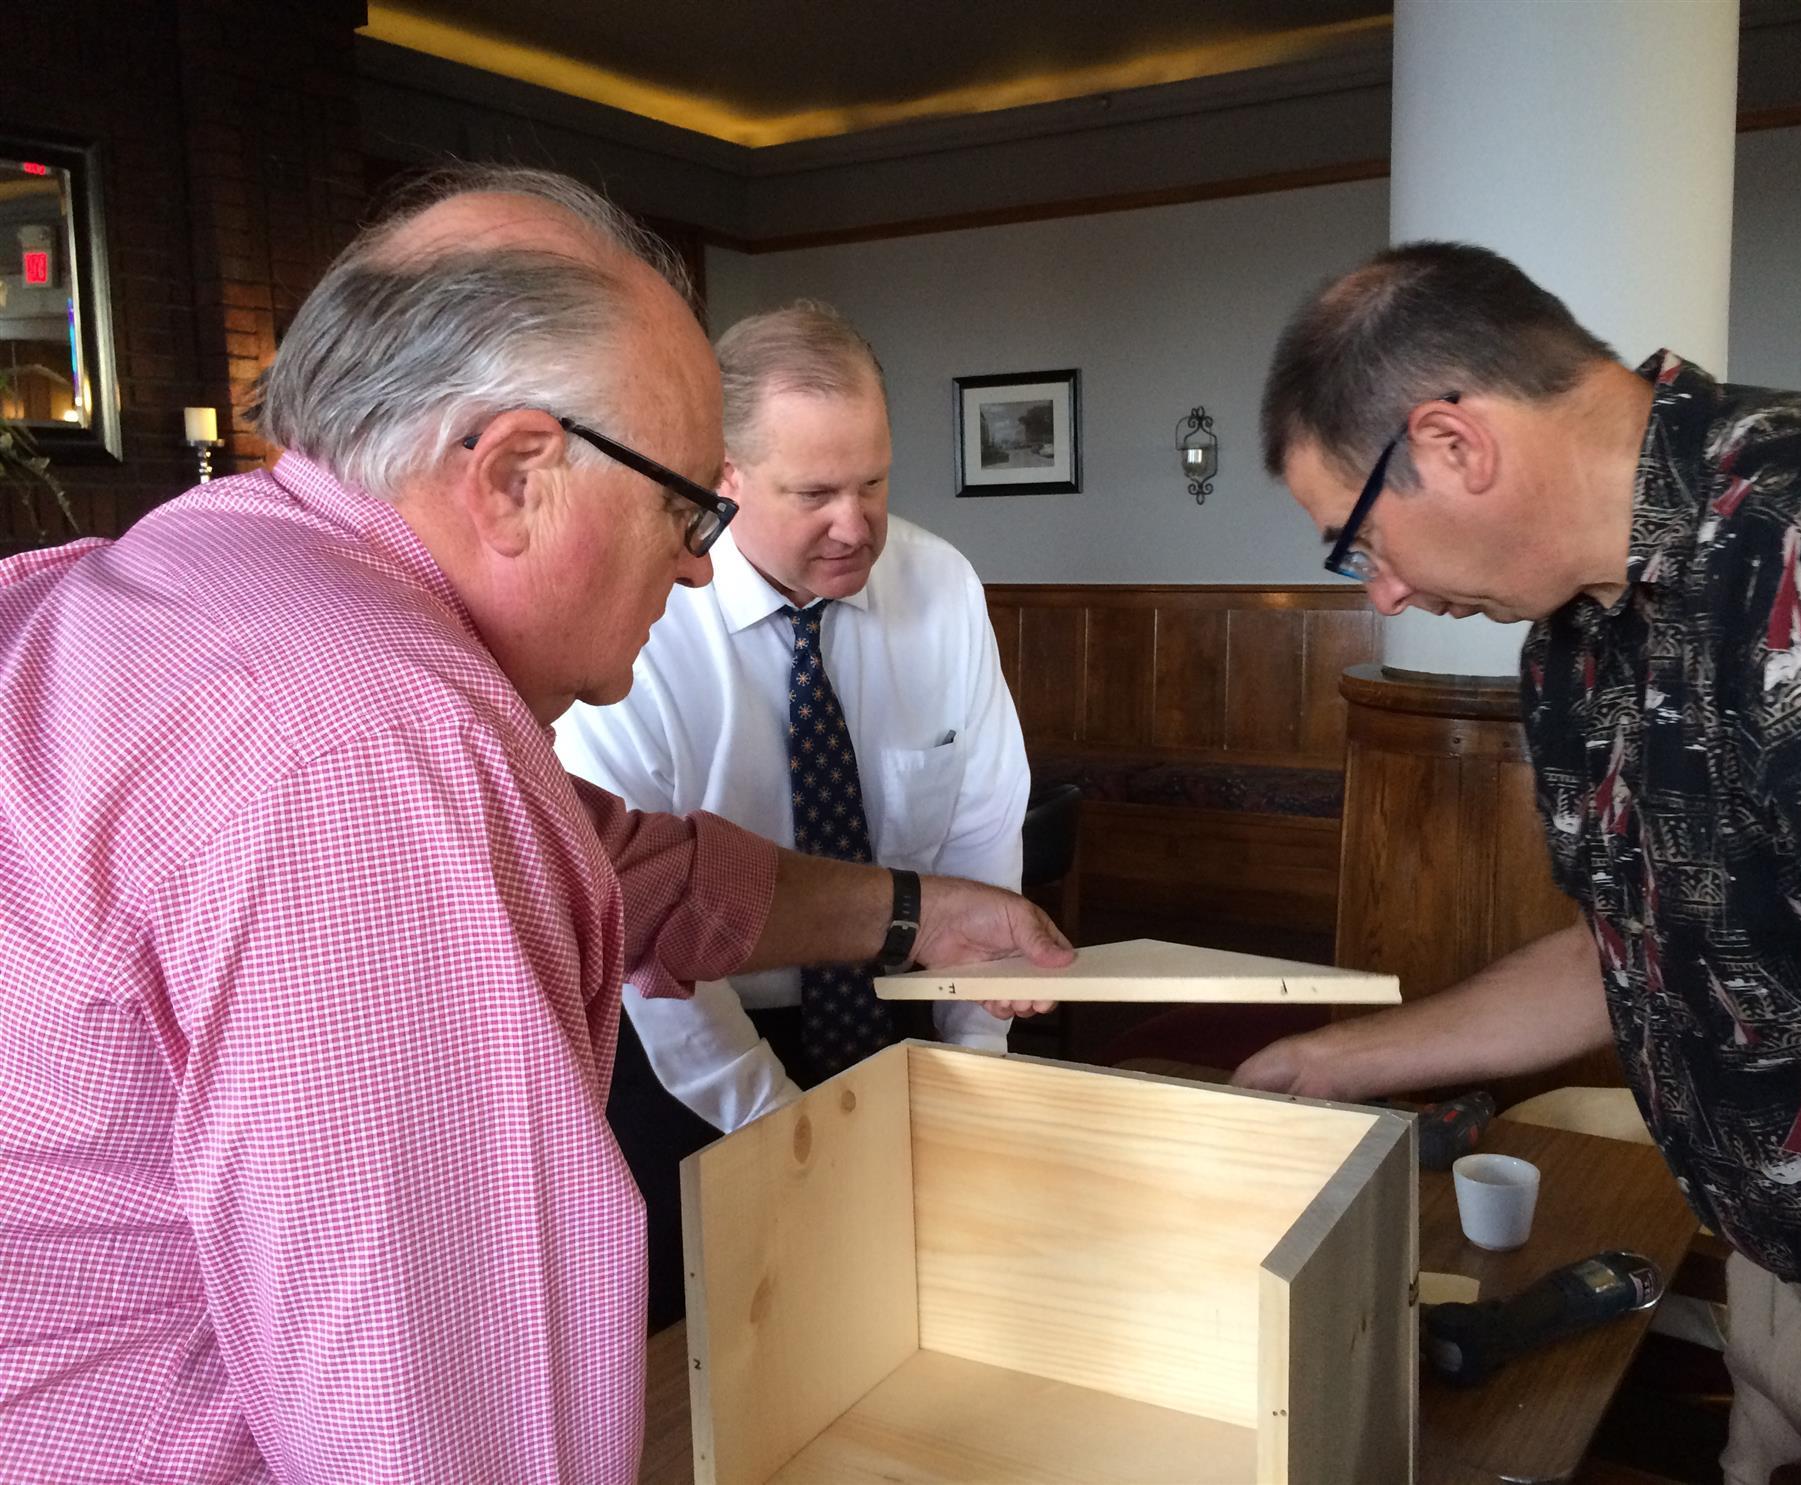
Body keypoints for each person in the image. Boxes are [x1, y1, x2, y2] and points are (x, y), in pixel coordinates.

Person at [0, 166, 1070, 1483]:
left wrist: (921, 913)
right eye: (687, 505)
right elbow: (437, 1426)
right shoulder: (375, 741)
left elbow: (609, 863)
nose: (697, 562)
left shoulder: (225, 577)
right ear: (514, 475)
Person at [1238, 240, 1801, 1485]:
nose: (1388, 593)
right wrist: (1332, 1061)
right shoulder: (1576, 637)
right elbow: (1635, 948)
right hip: (1791, 1300)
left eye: (1358, 539)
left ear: (1453, 444)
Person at [557, 299, 1030, 1328]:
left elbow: (982, 846)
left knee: (917, 1317)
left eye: (874, 483)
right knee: (721, 1338)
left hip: (900, 1012)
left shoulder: (941, 586)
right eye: (814, 493)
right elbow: (639, 914)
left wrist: (970, 1081)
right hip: (688, 1048)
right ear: (724, 474)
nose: (855, 526)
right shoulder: (638, 618)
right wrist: (789, 1133)